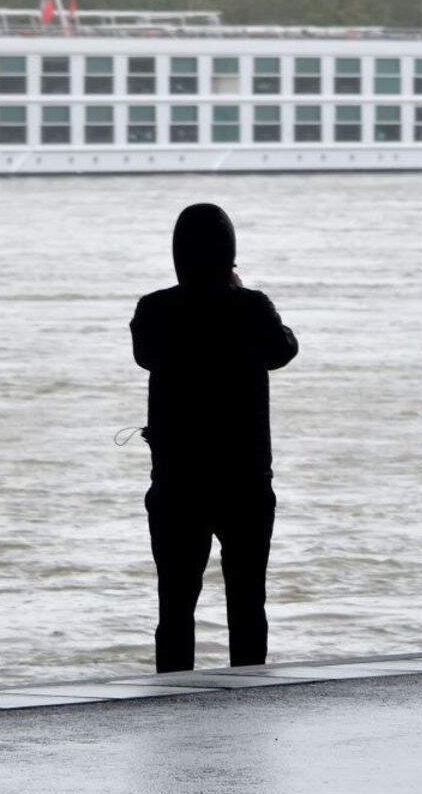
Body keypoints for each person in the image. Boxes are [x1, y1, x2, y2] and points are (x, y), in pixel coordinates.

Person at [130, 203, 299, 673]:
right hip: (244, 477)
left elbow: (145, 356)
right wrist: (237, 293)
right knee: (247, 601)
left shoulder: (154, 309)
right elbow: (283, 349)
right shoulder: (251, 306)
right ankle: (246, 689)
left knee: (175, 606)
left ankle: (173, 689)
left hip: (176, 479)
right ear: (230, 255)